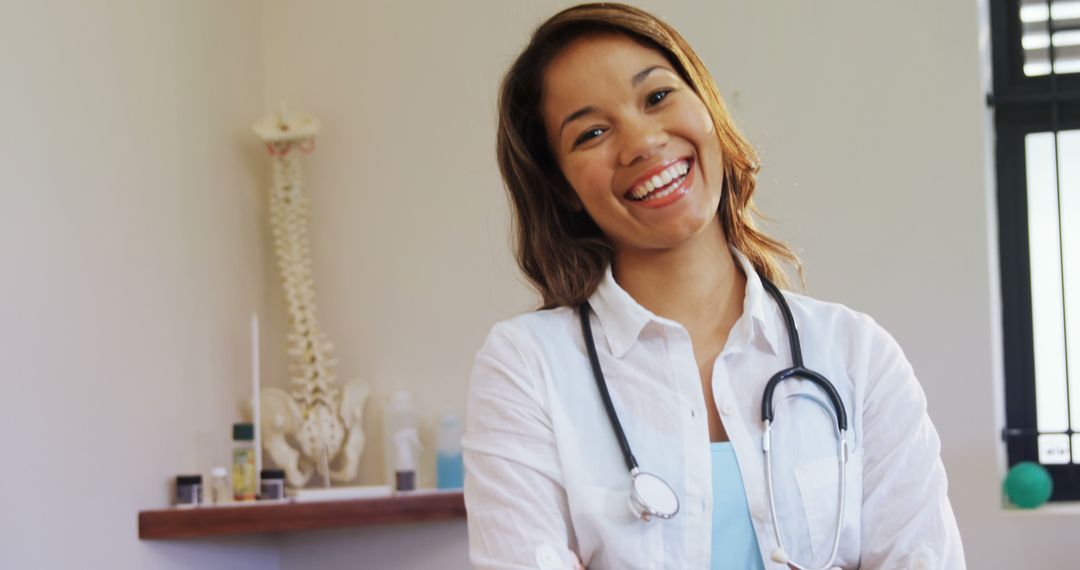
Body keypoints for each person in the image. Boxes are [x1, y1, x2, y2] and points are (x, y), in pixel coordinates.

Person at [462, 3, 965, 569]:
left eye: (656, 97)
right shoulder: (526, 368)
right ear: (563, 188)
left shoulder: (856, 355)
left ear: (707, 107)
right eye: (593, 132)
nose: (642, 142)